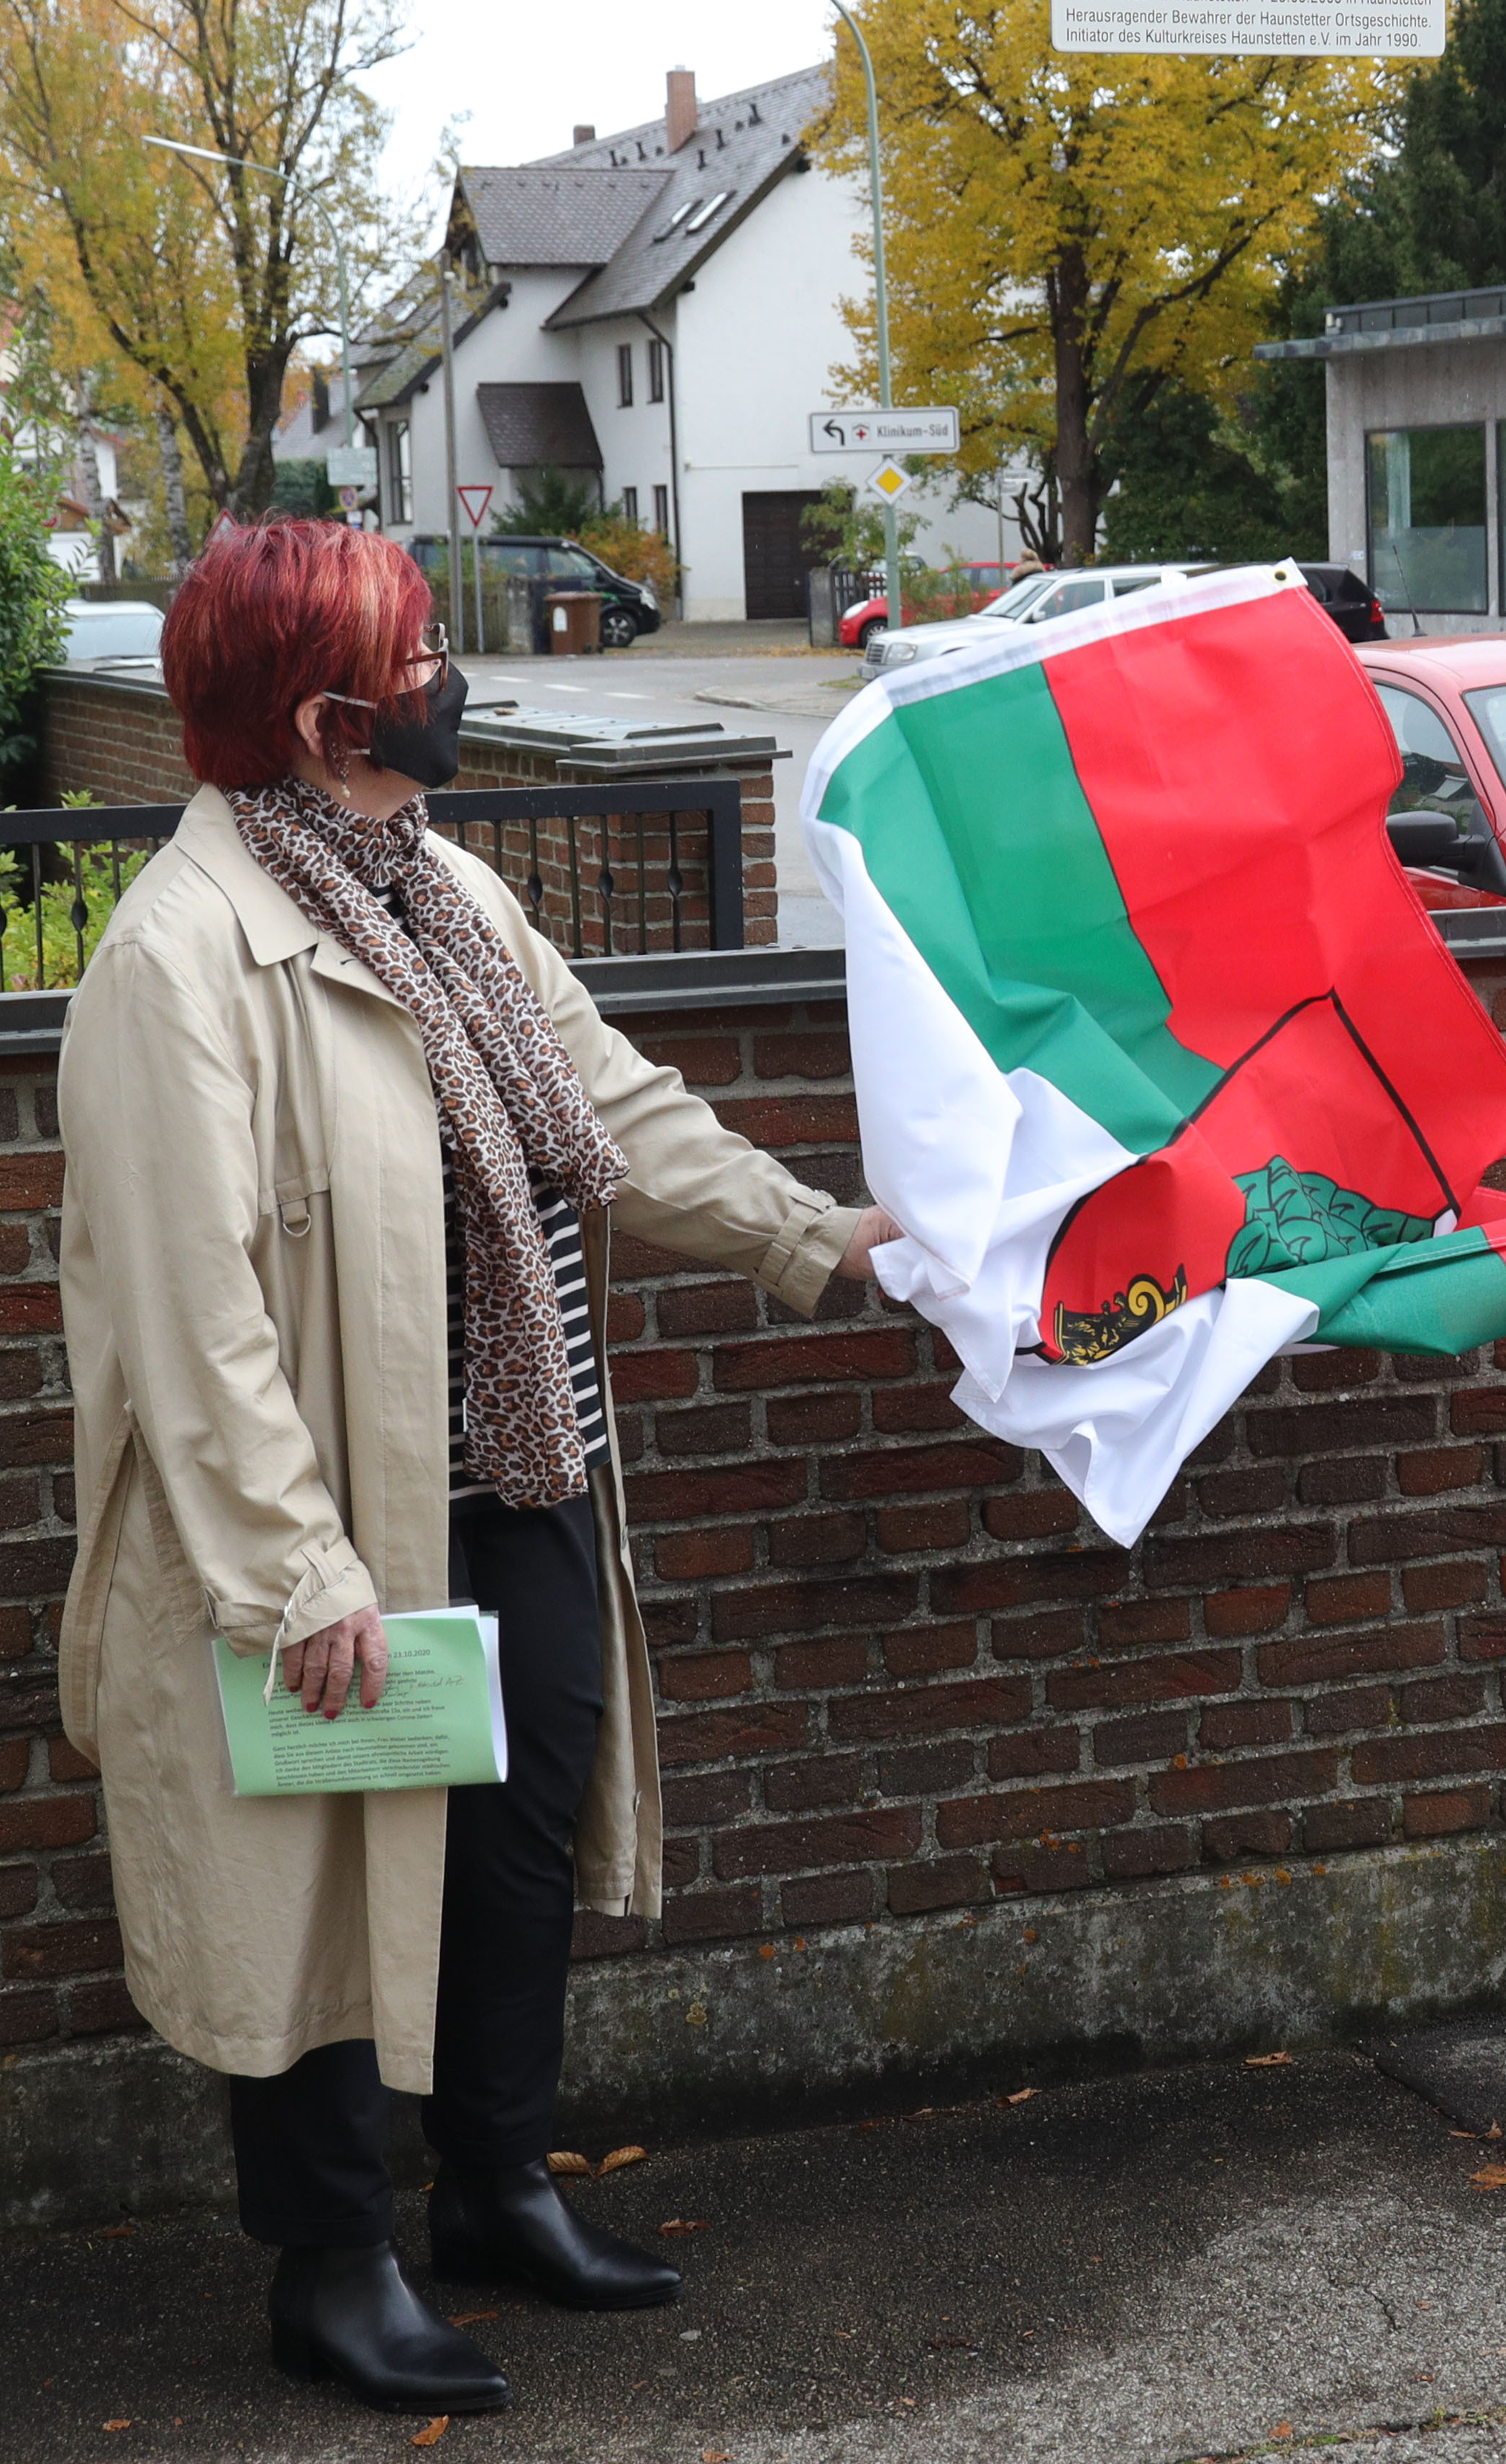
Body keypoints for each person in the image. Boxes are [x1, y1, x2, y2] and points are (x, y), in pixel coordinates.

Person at [55, 521, 896, 2418]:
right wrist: (299, 1568)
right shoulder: (179, 959)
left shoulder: (440, 895)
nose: (454, 682)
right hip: (341, 1514)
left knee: (518, 1852)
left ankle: (499, 2187)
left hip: (518, 1472)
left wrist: (812, 1233)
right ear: (328, 709)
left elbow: (609, 1106)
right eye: (422, 657)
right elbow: (191, 1318)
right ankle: (331, 2265)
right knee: (323, 1888)